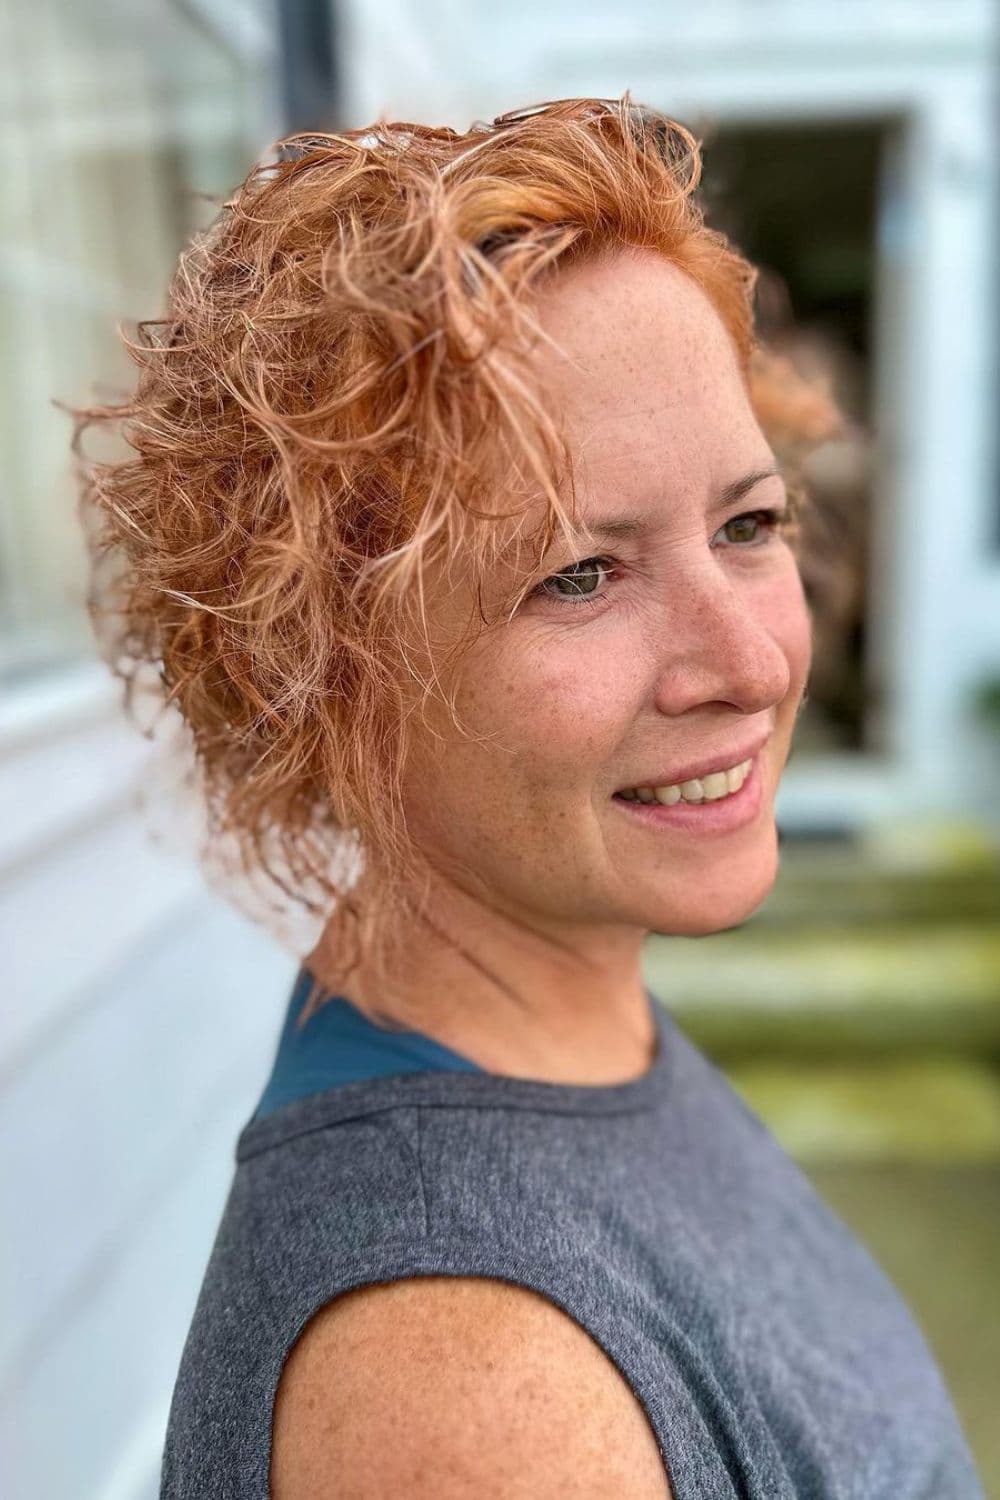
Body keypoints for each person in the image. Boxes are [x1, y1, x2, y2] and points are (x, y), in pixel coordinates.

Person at [72, 95, 985, 1499]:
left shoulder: (550, 1015)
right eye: (577, 574)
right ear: (321, 671)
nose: (747, 661)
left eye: (747, 525)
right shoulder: (463, 1396)